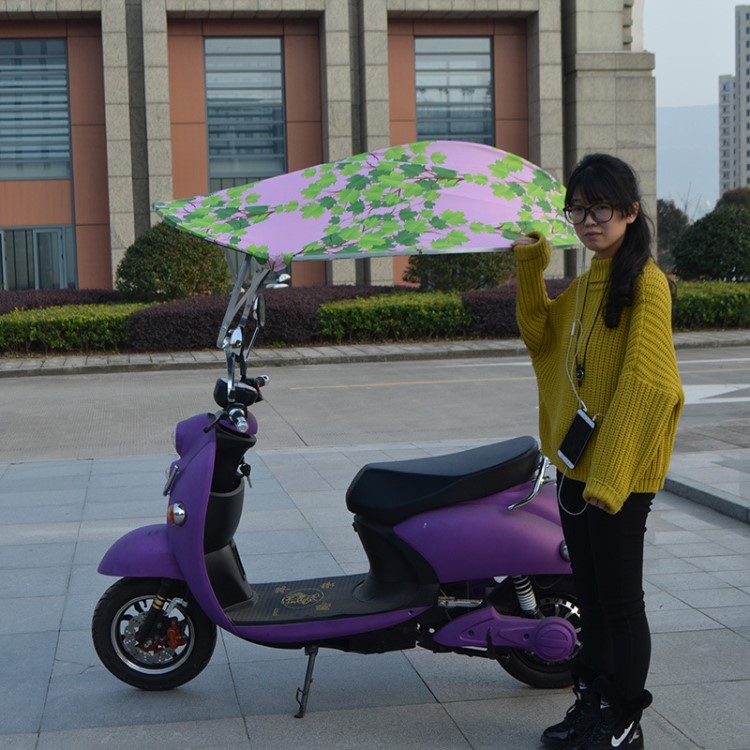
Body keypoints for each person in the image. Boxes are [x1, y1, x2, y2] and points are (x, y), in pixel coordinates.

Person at [512, 153, 684, 750]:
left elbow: (650, 383)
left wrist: (608, 479)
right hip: (576, 472)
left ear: (631, 213)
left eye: (600, 208)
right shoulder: (588, 284)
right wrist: (532, 263)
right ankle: (593, 703)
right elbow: (541, 338)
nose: (588, 220)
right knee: (588, 597)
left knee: (619, 600)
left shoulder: (646, 284)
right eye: (578, 209)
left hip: (621, 476)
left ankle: (624, 720)